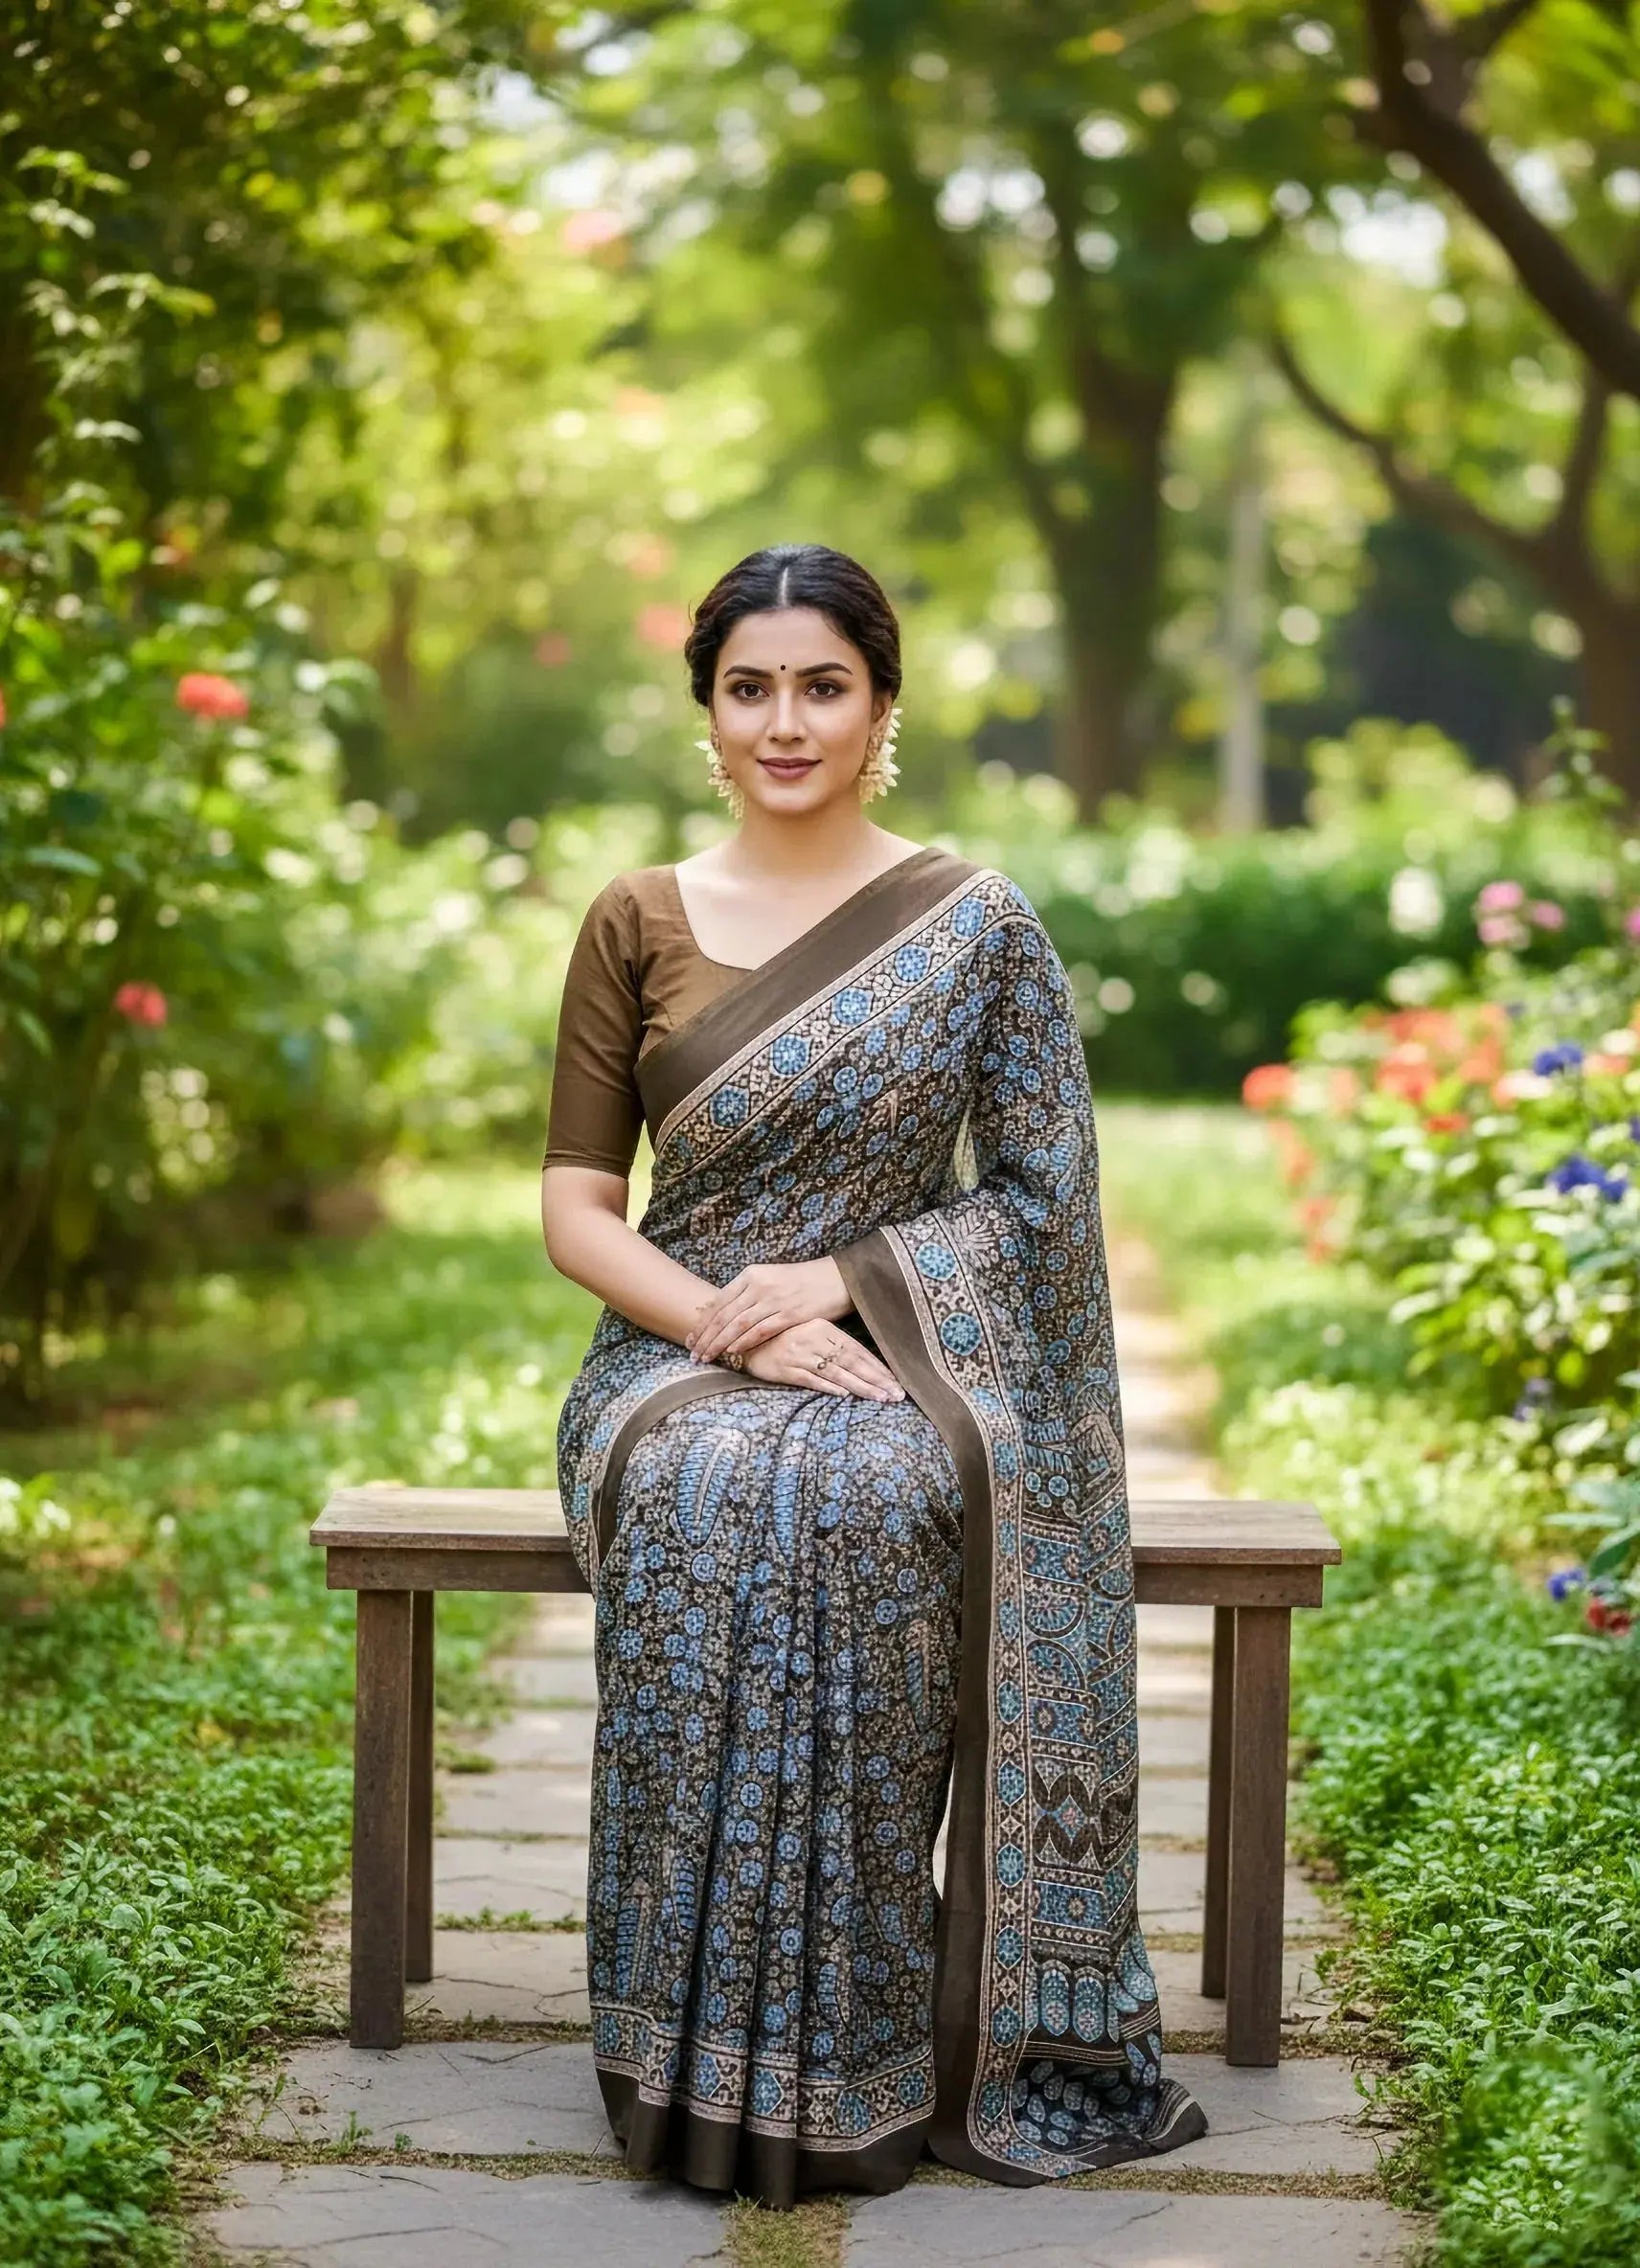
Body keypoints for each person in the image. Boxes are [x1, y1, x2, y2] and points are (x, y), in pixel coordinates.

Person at [539, 542, 1206, 2209]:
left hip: (904, 1359)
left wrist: (839, 1282)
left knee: (873, 1487)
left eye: (821, 685)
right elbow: (572, 1212)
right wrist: (734, 1321)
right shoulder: (636, 917)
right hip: (668, 1358)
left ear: (881, 705)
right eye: (749, 687)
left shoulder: (975, 926)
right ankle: (677, 2047)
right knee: (715, 1486)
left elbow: (1047, 1205)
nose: (785, 720)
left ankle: (872, 2038)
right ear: (706, 711)